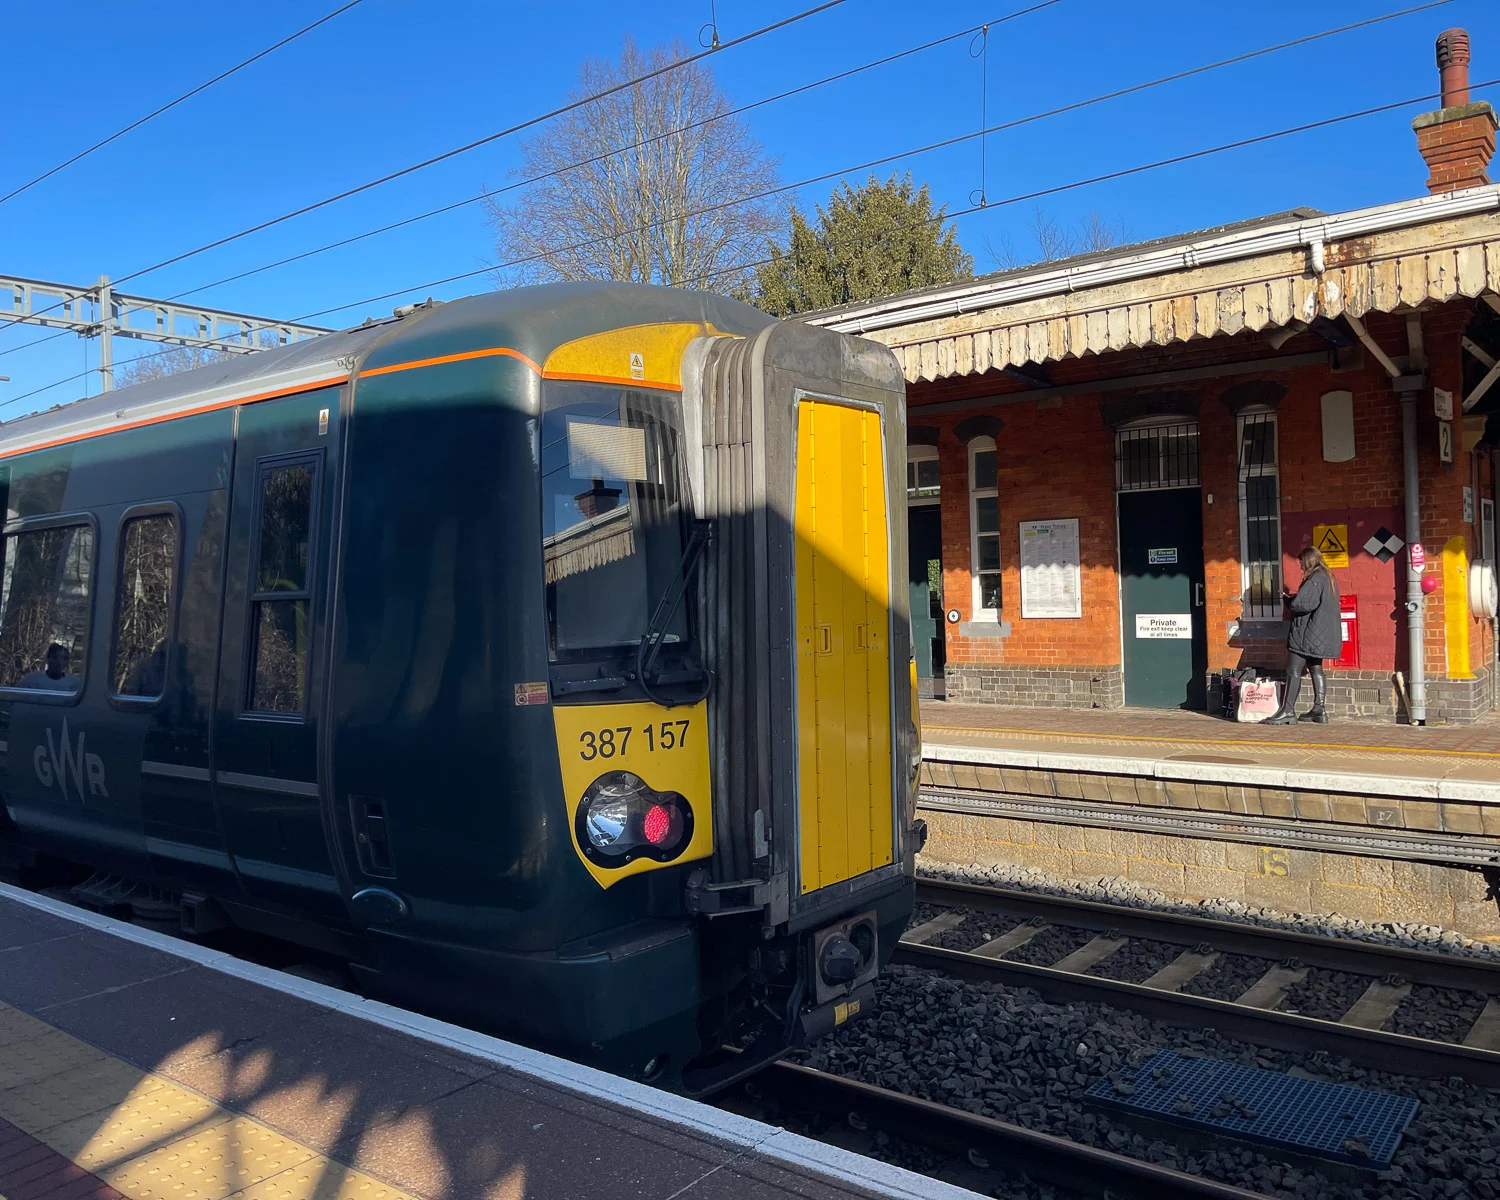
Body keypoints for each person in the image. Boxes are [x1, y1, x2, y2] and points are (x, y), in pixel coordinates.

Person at [1264, 547, 1342, 724]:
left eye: (1301, 563)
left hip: (1306, 633)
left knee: (1293, 670)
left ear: (1308, 561)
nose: (1300, 567)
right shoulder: (1329, 578)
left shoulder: (1314, 579)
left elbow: (1301, 605)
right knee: (1316, 669)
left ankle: (1288, 711)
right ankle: (1319, 709)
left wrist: (1287, 600)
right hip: (1321, 635)